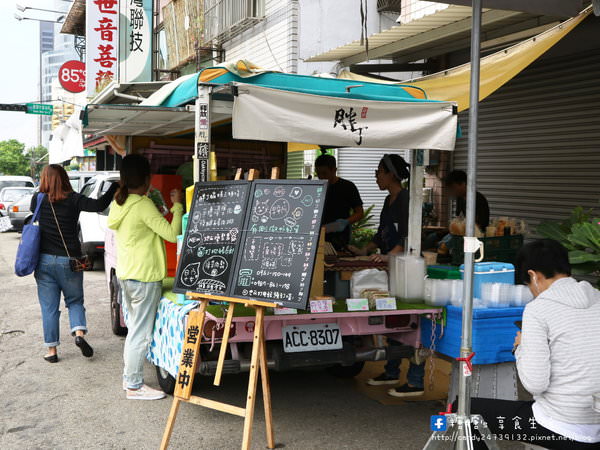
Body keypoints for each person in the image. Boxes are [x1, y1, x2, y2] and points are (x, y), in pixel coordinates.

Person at [463, 239, 600, 449]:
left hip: (562, 426)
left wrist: (521, 347)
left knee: (465, 409)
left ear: (533, 275)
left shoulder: (539, 309)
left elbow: (535, 383)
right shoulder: (597, 298)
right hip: (596, 421)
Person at [107, 154, 183, 401]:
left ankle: (130, 379)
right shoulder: (142, 205)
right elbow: (172, 235)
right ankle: (134, 385)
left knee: (134, 332)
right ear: (147, 178)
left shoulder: (120, 203)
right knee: (141, 334)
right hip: (144, 277)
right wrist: (178, 206)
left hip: (126, 275)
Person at [349, 154, 426, 397]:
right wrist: (365, 250)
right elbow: (382, 234)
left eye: (378, 172)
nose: (376, 177)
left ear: (391, 174)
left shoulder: (406, 200)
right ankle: (391, 371)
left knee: (411, 322)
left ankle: (415, 380)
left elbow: (409, 237)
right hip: (391, 269)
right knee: (392, 321)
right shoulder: (387, 200)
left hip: (407, 270)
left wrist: (389, 255)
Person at [32, 164, 118, 363]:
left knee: (49, 307)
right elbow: (98, 205)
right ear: (64, 178)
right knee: (75, 301)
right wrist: (114, 188)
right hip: (70, 259)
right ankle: (79, 334)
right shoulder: (74, 199)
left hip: (43, 261)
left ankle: (51, 351)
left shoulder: (37, 199)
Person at [315, 153, 364, 250]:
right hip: (318, 235)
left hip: (340, 238)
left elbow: (359, 213)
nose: (321, 177)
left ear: (334, 170)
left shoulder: (347, 187)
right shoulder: (316, 187)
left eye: (324, 173)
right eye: (318, 173)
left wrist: (344, 222)